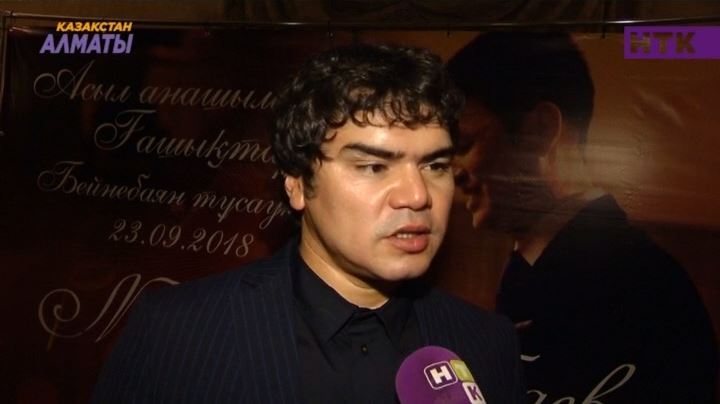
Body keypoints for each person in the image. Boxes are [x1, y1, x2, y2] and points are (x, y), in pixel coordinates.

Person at [92, 43, 525, 403]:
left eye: (435, 165)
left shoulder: (487, 343)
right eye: (373, 166)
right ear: (297, 184)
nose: (417, 196)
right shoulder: (178, 332)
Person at [448, 32, 718, 403]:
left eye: (464, 145)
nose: (452, 173)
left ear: (541, 130)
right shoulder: (526, 273)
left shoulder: (643, 286)